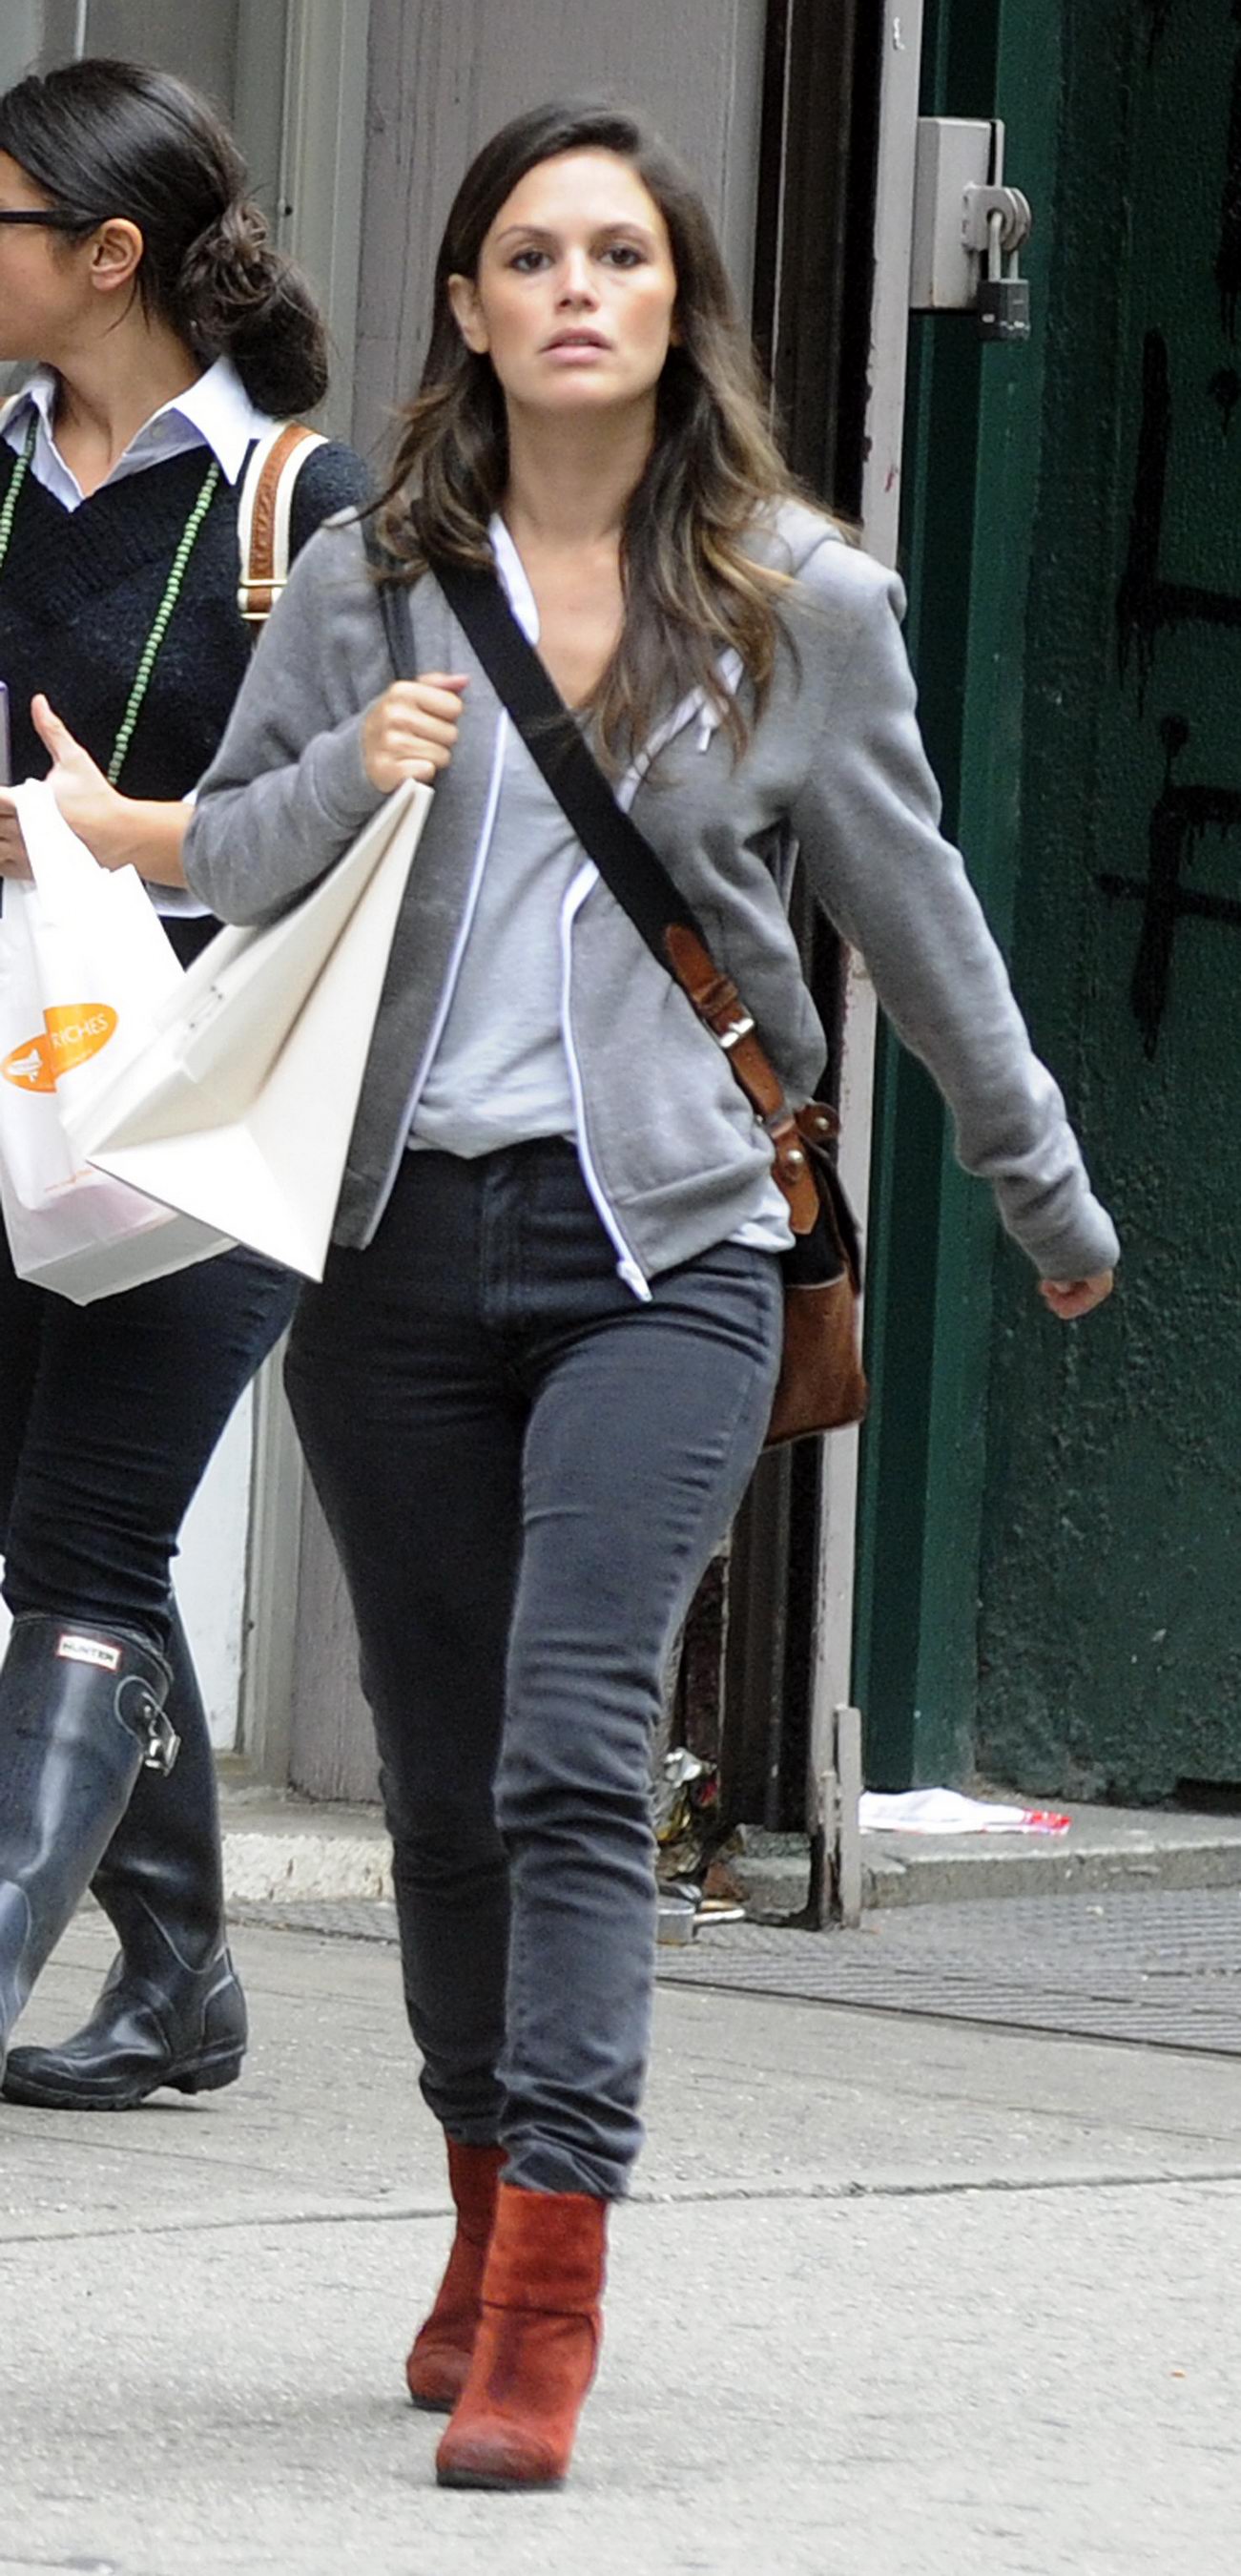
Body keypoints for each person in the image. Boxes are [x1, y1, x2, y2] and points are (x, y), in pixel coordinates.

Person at [184, 99, 1118, 2490]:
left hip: (671, 1247)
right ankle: (480, 2204)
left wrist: (1039, 1189)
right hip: (392, 1248)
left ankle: (553, 2293)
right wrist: (352, 767)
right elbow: (235, 865)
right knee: (441, 1786)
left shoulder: (800, 600)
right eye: (531, 255)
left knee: (571, 1749)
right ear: (470, 307)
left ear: (679, 302)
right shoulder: (370, 577)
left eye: (618, 253)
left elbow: (917, 915)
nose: (576, 289)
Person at [0, 57, 368, 2112]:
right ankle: (181, 1984)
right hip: (13, 1081)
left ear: (106, 254)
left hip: (224, 1092)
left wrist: (111, 832)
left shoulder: (300, 510)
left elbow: (373, 816)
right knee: (71, 1535)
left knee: (80, 1534)